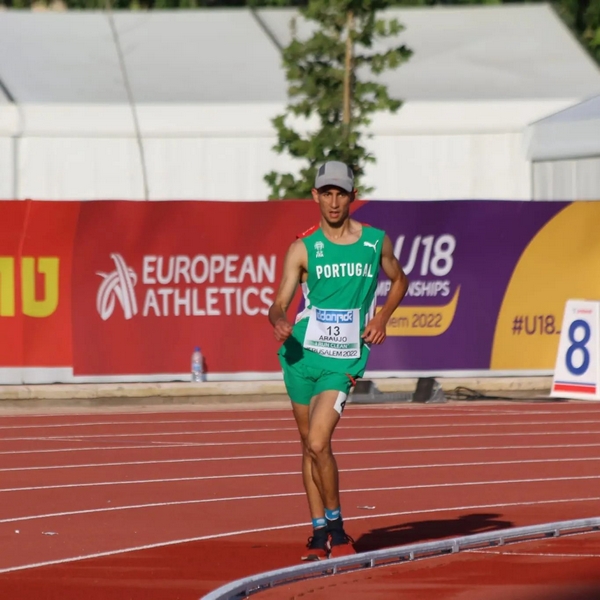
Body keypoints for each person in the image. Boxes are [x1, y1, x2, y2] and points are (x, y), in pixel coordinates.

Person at [268, 160, 409, 561]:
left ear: (352, 197)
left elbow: (399, 279)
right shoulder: (302, 248)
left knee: (319, 440)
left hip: (343, 359)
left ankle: (336, 527)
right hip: (300, 356)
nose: (333, 202)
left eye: (341, 194)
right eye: (326, 194)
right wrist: (279, 322)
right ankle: (318, 533)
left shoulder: (375, 242)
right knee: (308, 446)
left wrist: (381, 318)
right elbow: (278, 303)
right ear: (315, 196)